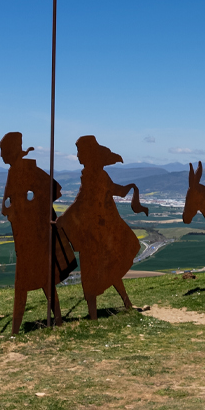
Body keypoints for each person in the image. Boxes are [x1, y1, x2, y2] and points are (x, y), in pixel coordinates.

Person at [57, 136, 147, 320]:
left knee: (91, 273)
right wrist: (131, 189)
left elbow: (80, 202)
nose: (77, 156)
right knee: (109, 267)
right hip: (102, 232)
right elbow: (117, 191)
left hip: (93, 234)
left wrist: (62, 220)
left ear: (88, 153)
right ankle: (125, 304)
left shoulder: (92, 176)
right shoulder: (99, 175)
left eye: (79, 152)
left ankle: (94, 315)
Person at [0, 132, 74, 334]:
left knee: (28, 283)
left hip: (33, 237)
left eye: (3, 150)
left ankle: (16, 330)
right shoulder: (15, 171)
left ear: (11, 151)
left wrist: (32, 209)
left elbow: (55, 190)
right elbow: (6, 207)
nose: (1, 155)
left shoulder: (27, 170)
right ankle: (57, 320)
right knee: (44, 282)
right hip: (26, 236)